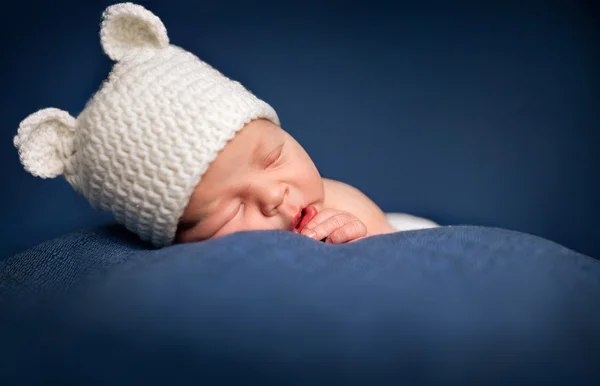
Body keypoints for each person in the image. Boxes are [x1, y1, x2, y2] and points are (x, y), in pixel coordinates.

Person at [14, 2, 437, 247]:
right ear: (175, 237)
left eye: (273, 157)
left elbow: (400, 258)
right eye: (228, 210)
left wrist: (359, 238)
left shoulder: (338, 201)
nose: (274, 195)